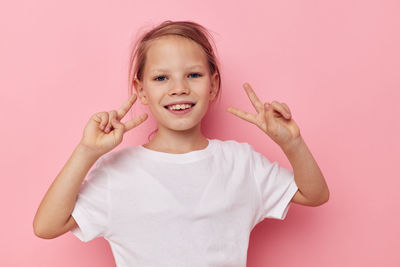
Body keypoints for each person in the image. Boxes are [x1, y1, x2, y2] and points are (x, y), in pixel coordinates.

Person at [33, 20, 329, 267]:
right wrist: (87, 152)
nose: (179, 88)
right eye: (161, 77)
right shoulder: (117, 172)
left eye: (194, 75)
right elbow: (46, 226)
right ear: (141, 90)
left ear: (213, 85)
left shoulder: (241, 162)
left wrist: (293, 143)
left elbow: (314, 194)